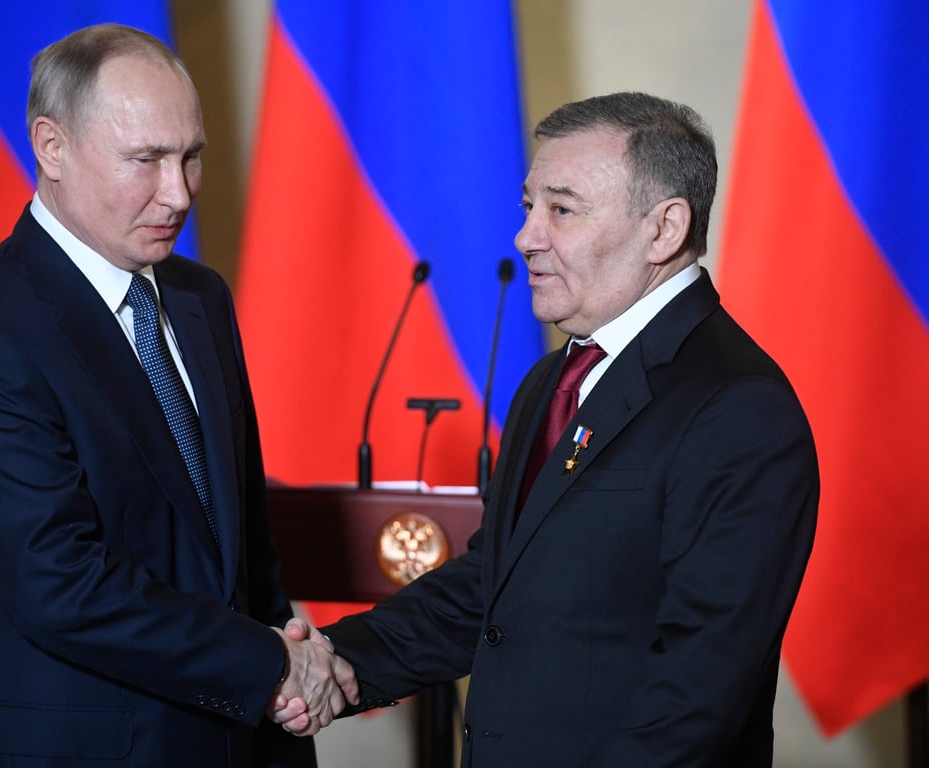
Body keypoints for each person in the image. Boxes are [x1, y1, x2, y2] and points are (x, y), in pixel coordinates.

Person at [279, 92, 819, 766]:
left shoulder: (736, 406)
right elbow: (498, 585)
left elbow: (697, 688)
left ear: (664, 228)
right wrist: (341, 662)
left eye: (561, 209)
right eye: (528, 207)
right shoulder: (554, 380)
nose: (527, 236)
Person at [0, 23, 354, 767]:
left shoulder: (198, 296)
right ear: (52, 148)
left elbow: (238, 539)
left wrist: (294, 671)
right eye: (145, 160)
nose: (177, 193)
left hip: (233, 736)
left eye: (190, 158)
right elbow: (62, 585)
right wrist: (269, 665)